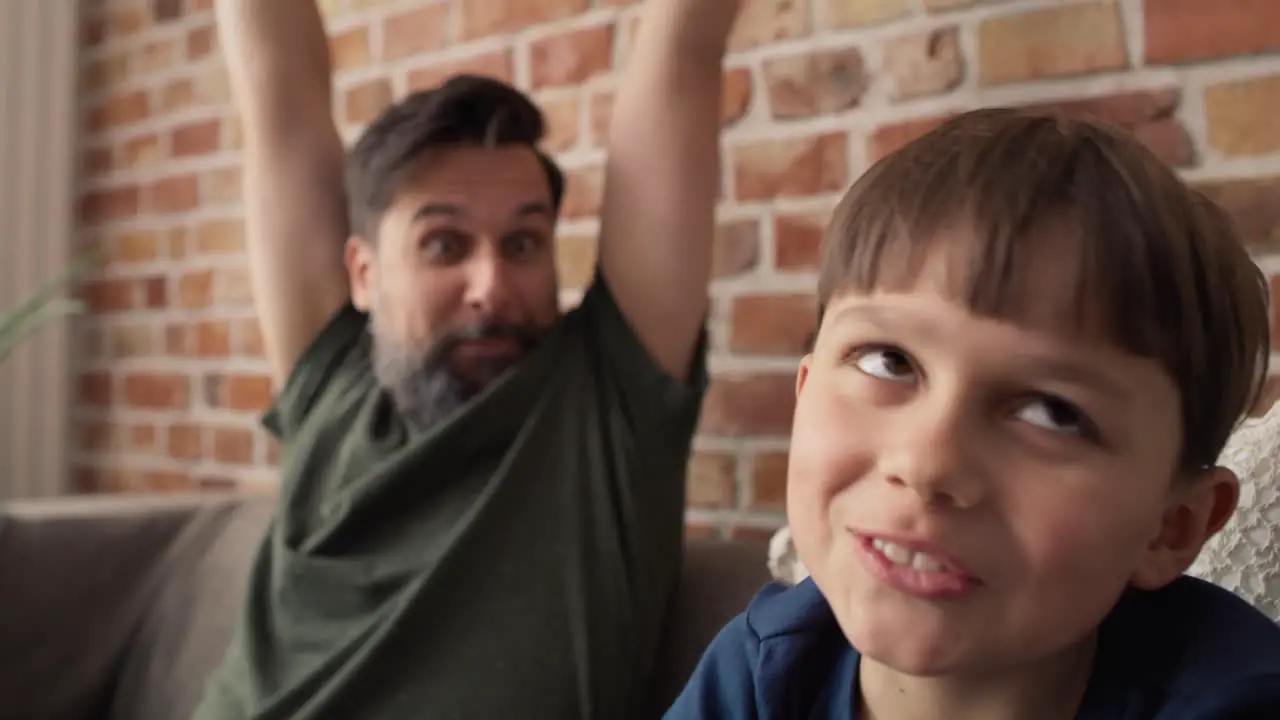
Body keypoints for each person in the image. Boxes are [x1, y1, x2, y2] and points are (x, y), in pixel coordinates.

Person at [192, 0, 742, 717]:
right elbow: (278, 94)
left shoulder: (608, 399)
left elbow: (684, 48)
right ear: (361, 274)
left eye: (522, 244)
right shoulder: (330, 381)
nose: (492, 286)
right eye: (445, 245)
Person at [664, 108, 1280, 719]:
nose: (927, 463)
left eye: (1053, 412)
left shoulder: (1236, 699)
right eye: (889, 362)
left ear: (1172, 525)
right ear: (804, 394)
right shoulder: (762, 670)